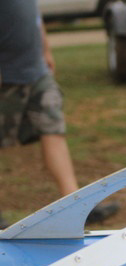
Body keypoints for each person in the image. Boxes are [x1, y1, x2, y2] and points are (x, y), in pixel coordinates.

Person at [0, 2, 118, 226]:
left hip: (36, 71)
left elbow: (33, 12)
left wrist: (45, 49)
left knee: (53, 130)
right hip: (7, 78)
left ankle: (75, 206)